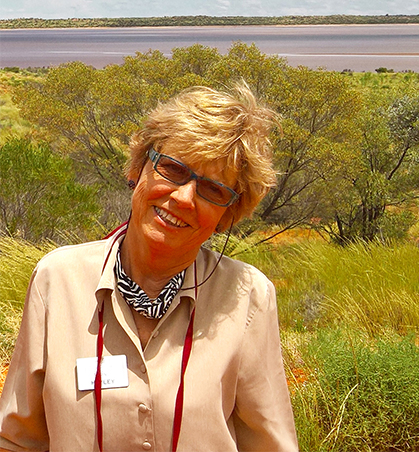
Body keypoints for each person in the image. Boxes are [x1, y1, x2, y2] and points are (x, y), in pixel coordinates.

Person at [0, 84, 298, 451]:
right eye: (173, 169)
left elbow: (270, 444)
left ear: (228, 215)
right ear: (139, 167)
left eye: (213, 190)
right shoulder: (57, 279)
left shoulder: (249, 297)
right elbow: (17, 439)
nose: (184, 197)